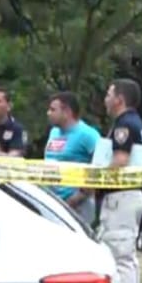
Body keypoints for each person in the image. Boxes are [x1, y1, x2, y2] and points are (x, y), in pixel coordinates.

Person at [100, 78, 142, 283]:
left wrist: (95, 178)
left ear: (119, 98)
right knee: (126, 256)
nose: (106, 98)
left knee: (120, 257)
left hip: (121, 196)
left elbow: (119, 161)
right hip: (131, 196)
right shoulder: (138, 125)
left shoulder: (125, 125)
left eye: (109, 93)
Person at [42, 91, 100, 226]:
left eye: (53, 110)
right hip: (53, 200)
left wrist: (80, 195)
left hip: (78, 203)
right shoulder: (54, 132)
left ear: (67, 111)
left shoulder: (88, 135)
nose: (48, 113)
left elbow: (100, 166)